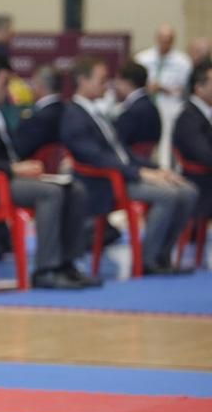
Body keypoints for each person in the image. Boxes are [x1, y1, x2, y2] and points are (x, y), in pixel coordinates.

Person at [0, 55, 97, 289]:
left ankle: (67, 264)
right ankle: (46, 268)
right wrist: (12, 168)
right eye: (4, 84)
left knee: (74, 189)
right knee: (50, 193)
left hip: (5, 178)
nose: (8, 90)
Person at [61, 56, 197, 275]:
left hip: (121, 174)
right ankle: (147, 260)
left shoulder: (98, 112)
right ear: (83, 81)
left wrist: (156, 169)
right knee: (169, 196)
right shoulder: (73, 115)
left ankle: (162, 256)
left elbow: (122, 152)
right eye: (102, 80)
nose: (108, 85)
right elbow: (96, 157)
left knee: (188, 191)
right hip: (102, 182)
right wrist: (140, 173)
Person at [174, 59, 212, 222]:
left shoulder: (204, 114)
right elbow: (204, 155)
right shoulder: (188, 117)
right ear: (198, 87)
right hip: (201, 182)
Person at [12, 64, 66, 160]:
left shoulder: (37, 119)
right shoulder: (69, 112)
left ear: (40, 85)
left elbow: (19, 151)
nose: (30, 88)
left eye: (33, 83)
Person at [112, 61, 161, 154]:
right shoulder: (151, 107)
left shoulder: (131, 113)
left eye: (118, 81)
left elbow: (116, 142)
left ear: (127, 82)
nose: (115, 86)